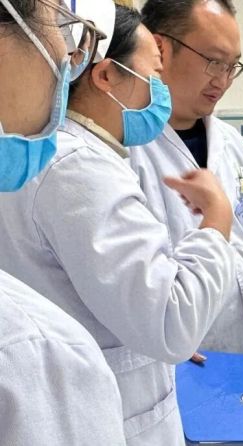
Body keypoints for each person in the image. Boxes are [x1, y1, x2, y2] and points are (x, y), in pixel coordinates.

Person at [0, 3, 238, 445]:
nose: (161, 91)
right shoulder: (78, 166)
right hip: (115, 412)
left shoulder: (46, 153)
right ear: (106, 75)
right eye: (155, 74)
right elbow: (170, 321)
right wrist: (216, 222)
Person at [130, 0, 243, 356]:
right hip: (173, 350)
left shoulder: (229, 141)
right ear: (160, 48)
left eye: (232, 66)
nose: (223, 81)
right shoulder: (127, 146)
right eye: (213, 61)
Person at [0, 0, 125, 444]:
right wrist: (214, 229)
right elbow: (166, 318)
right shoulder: (31, 352)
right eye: (62, 25)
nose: (69, 58)